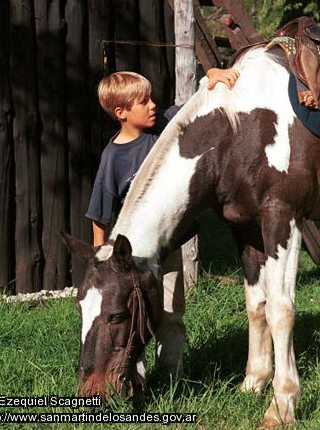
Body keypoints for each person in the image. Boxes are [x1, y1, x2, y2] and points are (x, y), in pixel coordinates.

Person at [85, 67, 239, 377]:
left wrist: (211, 73)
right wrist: (102, 264)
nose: (152, 105)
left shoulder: (166, 129)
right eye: (143, 102)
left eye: (151, 98)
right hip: (133, 261)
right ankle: (134, 374)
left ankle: (171, 374)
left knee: (171, 313)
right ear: (121, 112)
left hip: (169, 250)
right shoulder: (112, 158)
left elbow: (199, 100)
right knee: (132, 315)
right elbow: (99, 214)